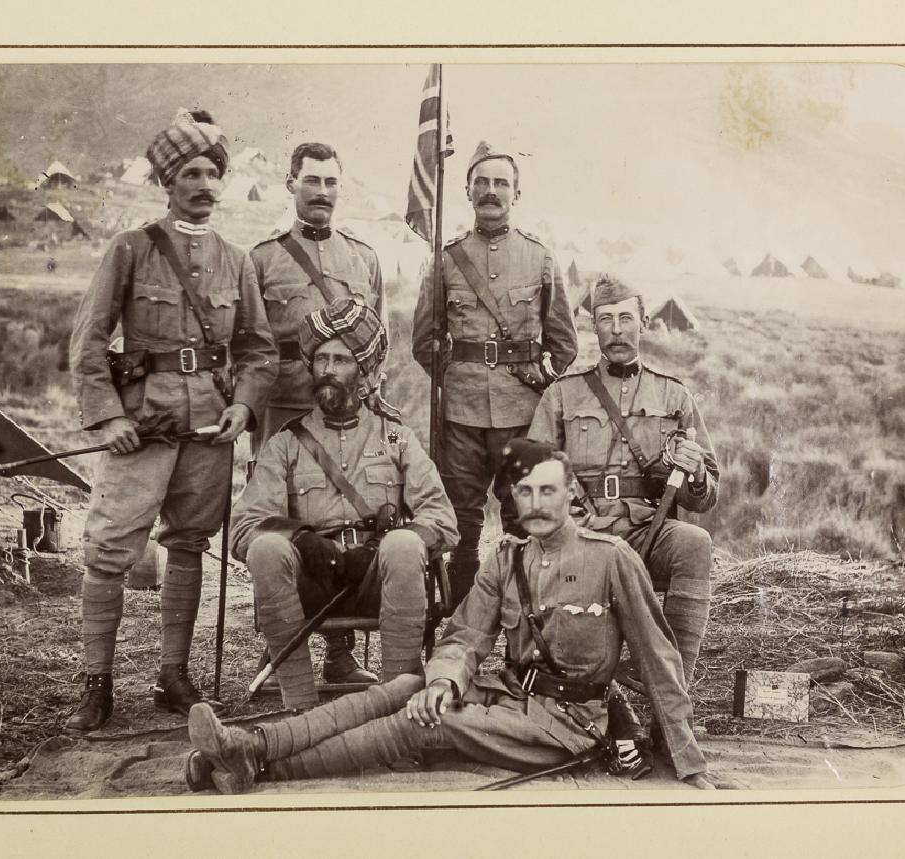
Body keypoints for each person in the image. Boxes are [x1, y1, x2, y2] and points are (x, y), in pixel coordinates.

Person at [185, 439, 724, 792]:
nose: (536, 504)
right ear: (514, 500)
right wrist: (443, 680)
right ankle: (247, 746)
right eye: (525, 492)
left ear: (570, 497)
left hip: (568, 724)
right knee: (403, 689)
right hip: (510, 696)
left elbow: (658, 658)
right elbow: (464, 636)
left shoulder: (612, 558)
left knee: (421, 723)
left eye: (548, 491)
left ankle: (258, 764)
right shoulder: (507, 559)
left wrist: (688, 760)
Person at [66, 109, 277, 732]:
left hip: (208, 430)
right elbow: (88, 338)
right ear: (168, 181)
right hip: (142, 428)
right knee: (109, 551)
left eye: (213, 173)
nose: (204, 185)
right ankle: (96, 683)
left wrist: (243, 406)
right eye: (191, 173)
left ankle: (172, 676)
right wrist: (107, 417)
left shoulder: (236, 260)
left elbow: (259, 350)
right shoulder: (131, 249)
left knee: (188, 544)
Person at [227, 298, 458, 712]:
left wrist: (388, 544)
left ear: (364, 371)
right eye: (321, 359)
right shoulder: (285, 444)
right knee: (266, 548)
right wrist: (300, 539)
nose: (328, 369)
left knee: (405, 546)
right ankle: (299, 707)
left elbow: (441, 519)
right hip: (311, 583)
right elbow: (244, 526)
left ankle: (397, 703)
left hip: (377, 581)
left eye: (341, 360)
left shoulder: (396, 438)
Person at [528, 275, 718, 687]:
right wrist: (567, 516)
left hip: (646, 531)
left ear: (644, 323)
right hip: (581, 532)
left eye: (626, 318)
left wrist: (697, 471)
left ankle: (672, 683)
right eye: (606, 319)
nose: (616, 330)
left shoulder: (674, 397)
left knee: (695, 542)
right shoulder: (562, 395)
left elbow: (705, 498)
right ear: (593, 326)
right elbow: (532, 477)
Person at [412, 141, 578, 602]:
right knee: (460, 519)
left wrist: (540, 380)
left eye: (501, 183)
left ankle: (522, 611)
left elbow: (564, 341)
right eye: (481, 182)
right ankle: (462, 613)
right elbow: (423, 341)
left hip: (521, 413)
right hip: (460, 414)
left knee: (522, 514)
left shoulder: (540, 257)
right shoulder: (446, 259)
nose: (491, 190)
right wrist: (453, 379)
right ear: (467, 190)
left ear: (516, 193)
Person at [249, 142, 385, 683]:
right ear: (291, 185)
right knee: (281, 519)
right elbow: (250, 344)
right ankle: (279, 642)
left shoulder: (363, 257)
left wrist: (370, 390)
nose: (321, 192)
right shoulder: (262, 259)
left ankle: (339, 654)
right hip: (285, 404)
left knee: (343, 514)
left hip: (347, 409)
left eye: (330, 182)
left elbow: (376, 341)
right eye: (311, 180)